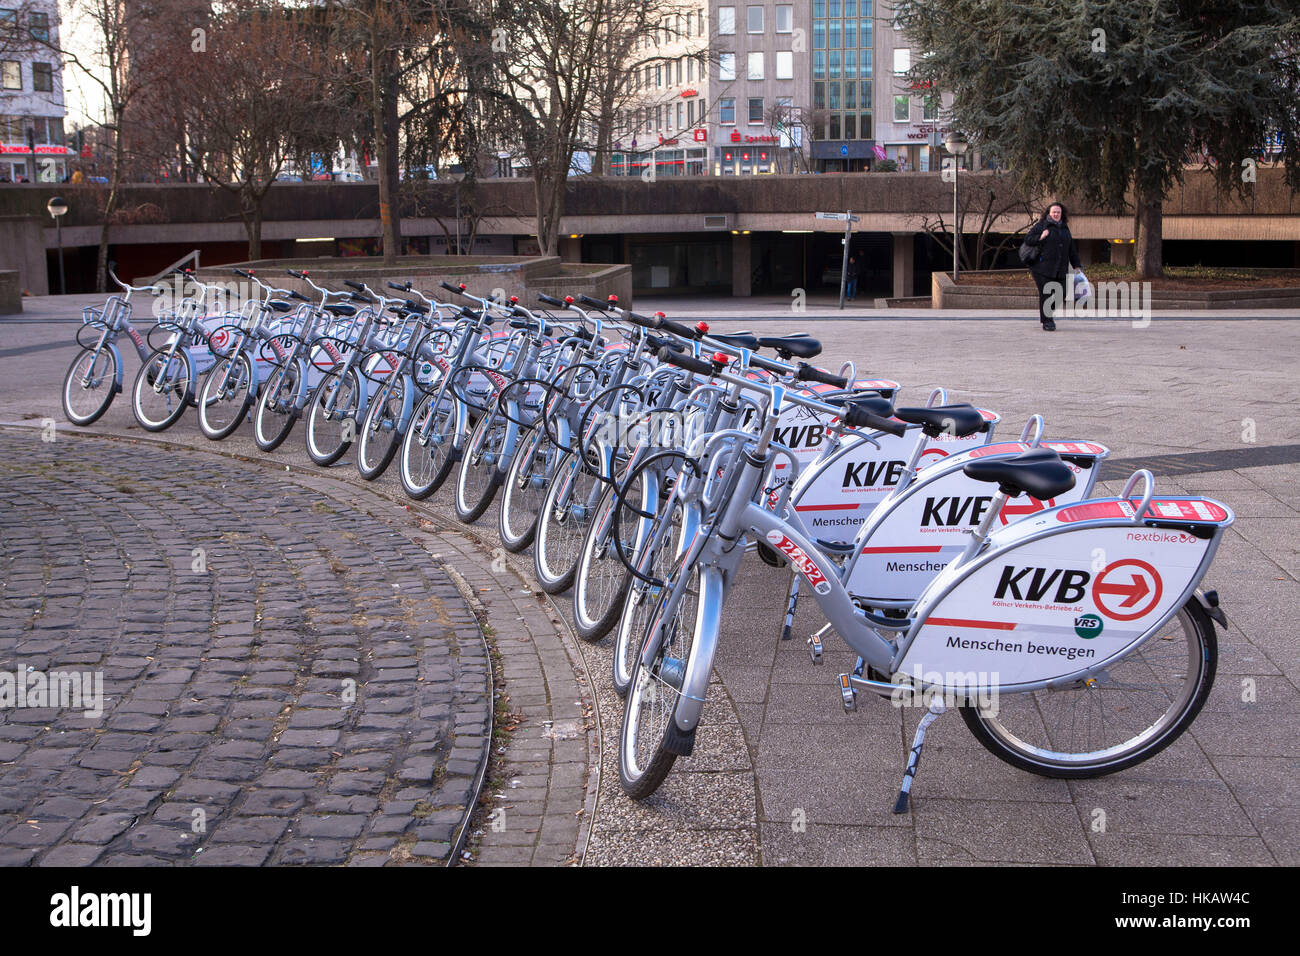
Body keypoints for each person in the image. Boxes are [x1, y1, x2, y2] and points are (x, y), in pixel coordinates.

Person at [1022, 201, 1081, 331]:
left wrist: (1076, 264)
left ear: (1062, 214)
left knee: (1063, 292)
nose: (1056, 214)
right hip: (1041, 268)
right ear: (1049, 213)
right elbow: (1028, 239)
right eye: (1054, 212)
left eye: (1058, 212)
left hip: (1060, 268)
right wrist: (1040, 237)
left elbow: (1071, 248)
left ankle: (1047, 313)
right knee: (1046, 294)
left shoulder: (1064, 228)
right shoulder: (1042, 226)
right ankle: (1047, 321)